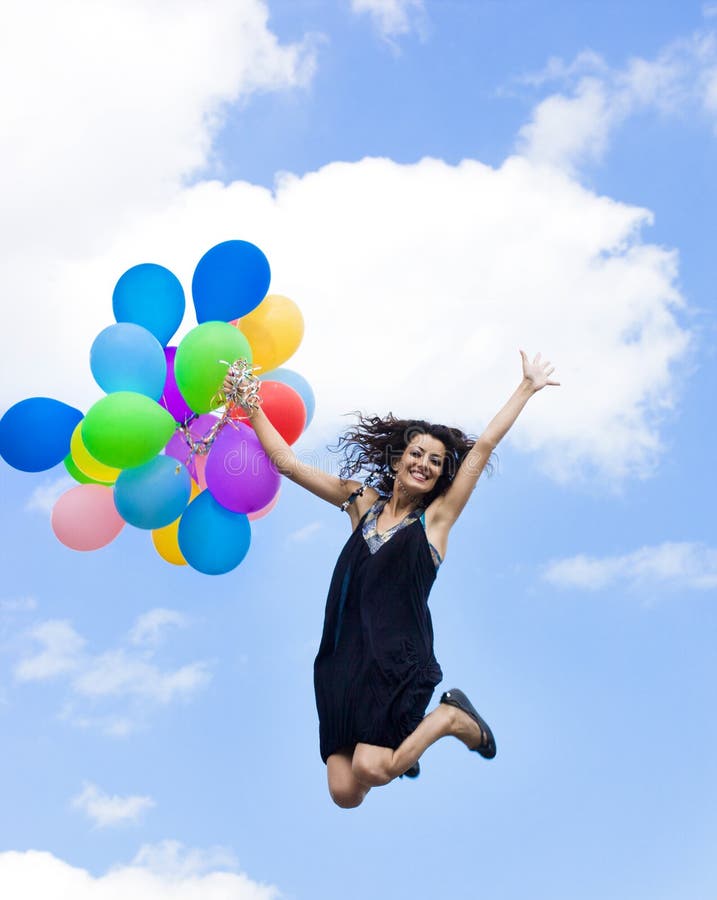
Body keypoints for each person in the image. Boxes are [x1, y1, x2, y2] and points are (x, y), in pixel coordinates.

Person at [226, 351, 558, 808]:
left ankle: (448, 717)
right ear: (400, 459)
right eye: (417, 453)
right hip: (344, 655)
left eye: (437, 462)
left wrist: (526, 387)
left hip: (398, 658)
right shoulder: (361, 502)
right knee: (345, 792)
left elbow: (481, 450)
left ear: (443, 475)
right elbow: (287, 464)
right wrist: (251, 404)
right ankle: (410, 738)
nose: (424, 463)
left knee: (371, 767)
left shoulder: (436, 520)